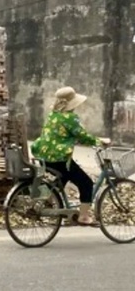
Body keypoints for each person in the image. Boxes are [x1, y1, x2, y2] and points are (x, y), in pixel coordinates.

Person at [31, 86, 110, 226]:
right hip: (60, 158)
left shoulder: (53, 115)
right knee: (86, 183)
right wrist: (100, 141)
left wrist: (74, 139)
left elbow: (63, 135)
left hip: (45, 157)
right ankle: (84, 216)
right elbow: (82, 135)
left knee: (65, 176)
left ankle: (49, 199)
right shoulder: (70, 118)